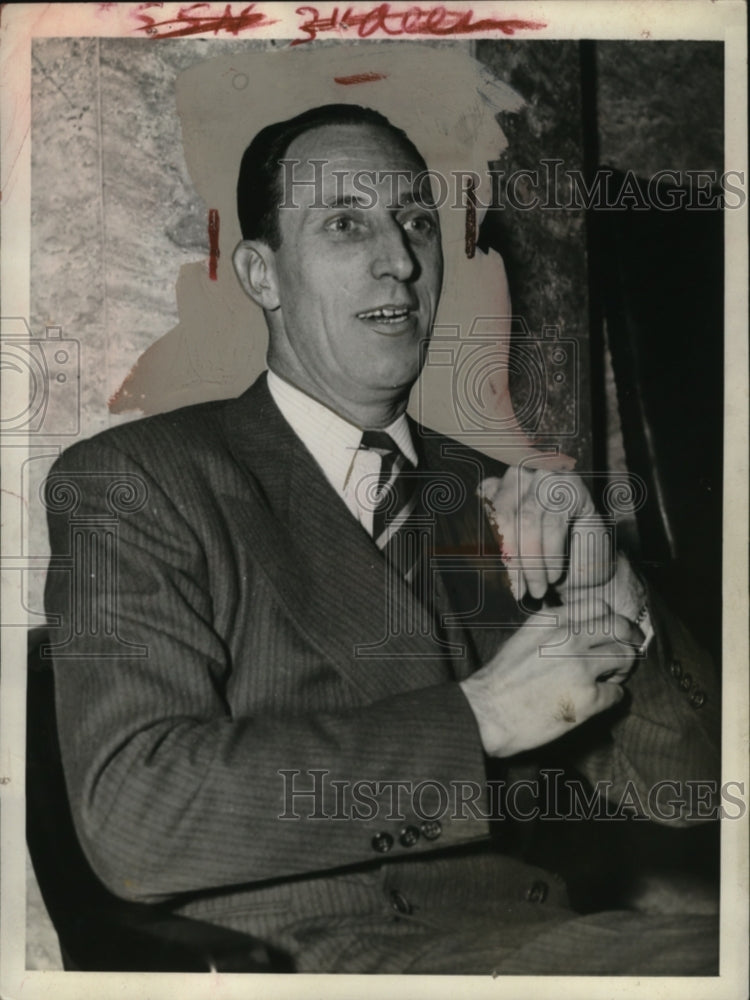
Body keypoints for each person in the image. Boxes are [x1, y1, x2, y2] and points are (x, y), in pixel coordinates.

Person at [43, 103, 720, 975]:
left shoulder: (481, 499)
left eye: (415, 223)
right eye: (344, 223)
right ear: (262, 274)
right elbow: (138, 816)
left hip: (551, 945)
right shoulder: (140, 480)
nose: (399, 260)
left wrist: (606, 585)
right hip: (315, 962)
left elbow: (688, 791)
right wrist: (475, 720)